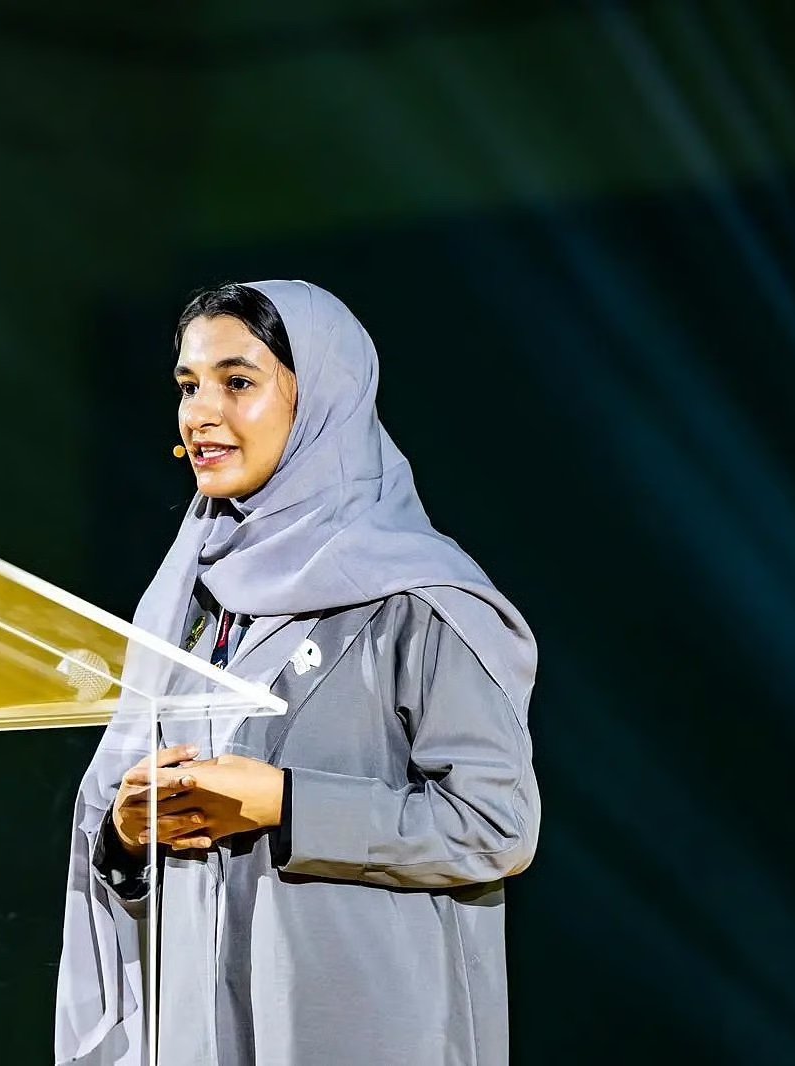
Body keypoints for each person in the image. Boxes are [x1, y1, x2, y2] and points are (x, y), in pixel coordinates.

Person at [54, 280, 540, 1065]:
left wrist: (285, 804)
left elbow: (495, 826)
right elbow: (125, 815)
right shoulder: (184, 603)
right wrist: (127, 835)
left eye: (237, 382)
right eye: (188, 386)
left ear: (321, 401)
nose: (200, 413)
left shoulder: (420, 599)